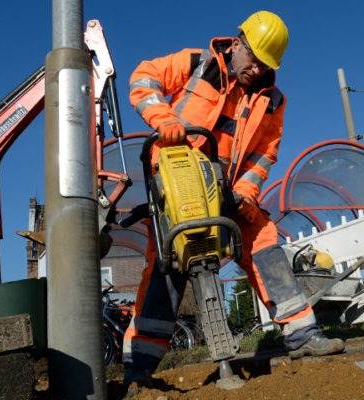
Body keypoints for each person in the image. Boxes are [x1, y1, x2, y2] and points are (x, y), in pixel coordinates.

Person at [123, 10, 344, 388]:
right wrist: (163, 118)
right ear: (237, 43)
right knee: (168, 265)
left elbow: (264, 155)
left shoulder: (272, 101)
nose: (256, 70)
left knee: (263, 240)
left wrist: (245, 191)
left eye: (265, 65)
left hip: (227, 190)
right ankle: (139, 367)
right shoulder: (198, 63)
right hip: (178, 182)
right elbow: (143, 78)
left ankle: (303, 335)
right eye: (253, 60)